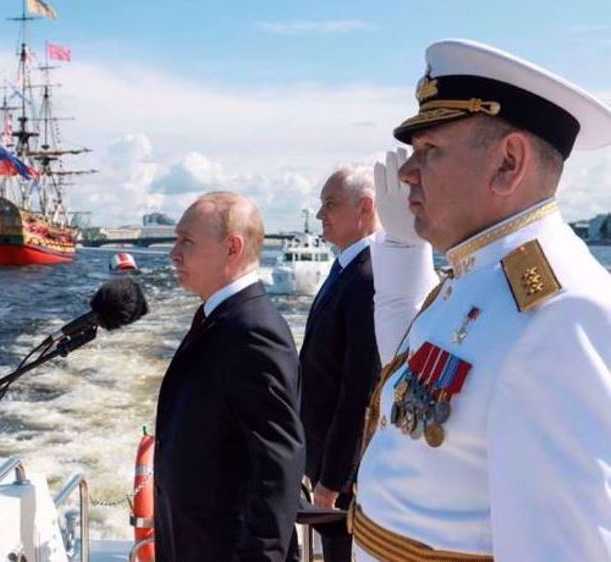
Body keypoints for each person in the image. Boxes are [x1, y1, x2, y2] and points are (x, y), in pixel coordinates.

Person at [353, 39, 611, 561]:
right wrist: (403, 248)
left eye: (430, 151)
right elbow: (416, 386)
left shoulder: (559, 314)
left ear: (507, 164)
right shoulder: (478, 277)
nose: (406, 174)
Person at [155, 191, 305, 561]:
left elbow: (278, 460)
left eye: (186, 241)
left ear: (231, 248)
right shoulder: (221, 319)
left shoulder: (252, 330)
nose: (174, 253)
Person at [294, 168, 382, 562]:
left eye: (330, 204)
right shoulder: (347, 268)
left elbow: (359, 388)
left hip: (342, 476)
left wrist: (333, 479)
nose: (319, 215)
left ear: (365, 207)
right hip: (322, 457)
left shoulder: (367, 276)